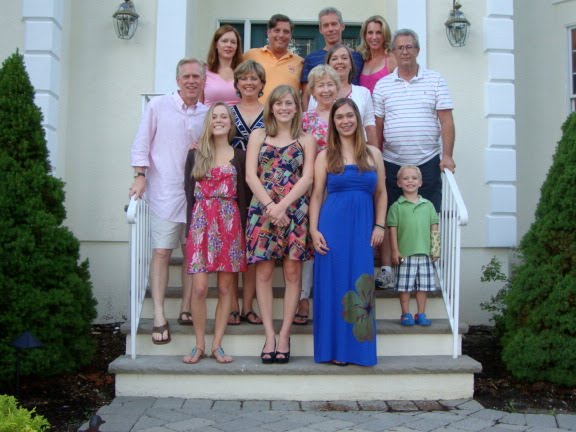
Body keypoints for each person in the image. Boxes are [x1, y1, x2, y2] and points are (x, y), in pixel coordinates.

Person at [130, 58, 208, 344]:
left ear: (203, 81)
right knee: (162, 252)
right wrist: (140, 176)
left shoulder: (207, 114)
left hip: (196, 195)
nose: (191, 81)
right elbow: (141, 144)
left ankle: (186, 307)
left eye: (196, 77)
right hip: (164, 191)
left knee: (190, 252)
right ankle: (159, 314)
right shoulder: (158, 106)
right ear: (178, 80)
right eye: (186, 76)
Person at [372, 28, 455, 289]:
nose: (405, 51)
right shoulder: (383, 85)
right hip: (392, 161)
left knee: (430, 218)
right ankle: (387, 269)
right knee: (389, 216)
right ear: (393, 52)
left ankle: (432, 266)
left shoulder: (435, 80)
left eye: (409, 47)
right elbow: (377, 125)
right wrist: (376, 159)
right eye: (400, 48)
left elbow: (446, 121)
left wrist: (447, 155)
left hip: (427, 162)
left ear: (417, 50)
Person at [310, 98, 387, 366]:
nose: (345, 121)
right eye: (339, 117)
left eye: (349, 115)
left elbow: (381, 193)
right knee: (333, 285)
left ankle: (357, 351)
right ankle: (335, 351)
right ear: (333, 122)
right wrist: (313, 230)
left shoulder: (373, 154)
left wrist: (379, 225)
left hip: (363, 229)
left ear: (357, 118)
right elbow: (317, 195)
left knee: (360, 285)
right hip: (332, 228)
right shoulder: (325, 156)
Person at [245, 85, 316, 364]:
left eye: (289, 103)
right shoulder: (258, 135)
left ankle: (285, 335)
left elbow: (307, 178)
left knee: (292, 272)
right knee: (263, 272)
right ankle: (269, 336)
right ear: (271, 107)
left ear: (297, 107)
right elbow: (251, 176)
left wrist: (283, 206)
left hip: (294, 212)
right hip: (262, 211)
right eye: (279, 103)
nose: (284, 108)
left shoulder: (306, 139)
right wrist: (271, 207)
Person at [182, 102, 250, 364]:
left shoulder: (240, 155)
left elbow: (245, 194)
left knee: (225, 289)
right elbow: (188, 193)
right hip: (201, 222)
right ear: (208, 122)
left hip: (229, 223)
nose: (219, 120)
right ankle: (199, 344)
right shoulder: (195, 154)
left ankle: (217, 344)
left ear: (231, 123)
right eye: (214, 116)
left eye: (224, 117)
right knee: (199, 288)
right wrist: (190, 228)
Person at [294, 64, 340, 325]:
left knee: (332, 240)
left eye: (330, 84)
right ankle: (303, 297)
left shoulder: (345, 114)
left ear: (338, 87)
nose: (325, 89)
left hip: (338, 187)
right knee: (308, 241)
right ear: (311, 91)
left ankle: (330, 296)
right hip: (311, 187)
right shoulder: (304, 120)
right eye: (320, 85)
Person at [228, 60, 267, 325]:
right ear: (237, 83)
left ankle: (248, 306)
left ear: (262, 83)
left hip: (262, 183)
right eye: (244, 78)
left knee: (253, 245)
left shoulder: (271, 112)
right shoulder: (228, 112)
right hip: (233, 181)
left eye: (254, 78)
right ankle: (232, 305)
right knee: (233, 245)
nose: (249, 83)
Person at [386, 165, 440, 327]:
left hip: (424, 254)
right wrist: (395, 251)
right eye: (406, 178)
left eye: (414, 178)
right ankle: (405, 314)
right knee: (405, 286)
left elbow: (434, 228)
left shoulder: (428, 205)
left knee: (423, 286)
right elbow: (392, 230)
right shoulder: (396, 207)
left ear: (420, 182)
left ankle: (421, 313)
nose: (410, 181)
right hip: (405, 254)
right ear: (399, 183)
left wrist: (435, 249)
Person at [308, 45, 377, 146]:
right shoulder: (318, 94)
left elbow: (370, 126)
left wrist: (374, 153)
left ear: (351, 64)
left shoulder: (363, 93)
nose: (340, 61)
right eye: (334, 59)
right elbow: (310, 126)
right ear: (328, 65)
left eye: (344, 58)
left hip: (357, 150)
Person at [301, 7, 364, 110]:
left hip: (353, 112)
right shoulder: (311, 59)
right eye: (326, 25)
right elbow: (306, 96)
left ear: (342, 26)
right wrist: (306, 118)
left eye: (334, 24)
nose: (330, 29)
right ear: (321, 30)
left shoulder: (357, 57)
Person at [244, 14, 303, 102]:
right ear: (268, 32)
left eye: (286, 32)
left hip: (286, 110)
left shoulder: (300, 63)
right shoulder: (250, 55)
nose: (281, 35)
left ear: (291, 35)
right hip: (256, 111)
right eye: (277, 30)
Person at [201, 25, 243, 106]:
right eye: (224, 41)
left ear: (237, 47)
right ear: (216, 44)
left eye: (233, 42)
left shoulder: (243, 73)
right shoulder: (203, 72)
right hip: (210, 114)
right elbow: (199, 105)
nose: (229, 45)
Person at [357, 15, 397, 94]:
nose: (374, 37)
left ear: (385, 35)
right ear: (365, 35)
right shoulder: (363, 60)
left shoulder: (392, 60)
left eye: (379, 33)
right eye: (370, 33)